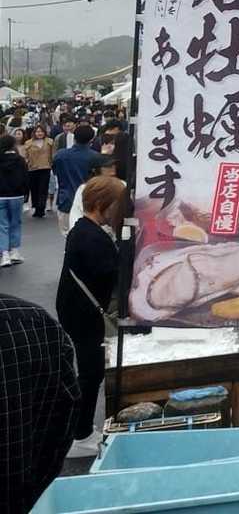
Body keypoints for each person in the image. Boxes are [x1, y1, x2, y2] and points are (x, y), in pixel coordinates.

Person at [57, 175, 125, 457]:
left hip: (76, 310)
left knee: (90, 370)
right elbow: (116, 274)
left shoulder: (84, 229)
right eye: (117, 205)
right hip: (84, 314)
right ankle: (80, 434)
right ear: (101, 203)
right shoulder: (92, 237)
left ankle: (80, 429)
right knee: (91, 372)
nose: (120, 210)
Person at [0, 292, 81, 511]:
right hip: (19, 497)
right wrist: (30, 490)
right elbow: (64, 417)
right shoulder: (33, 321)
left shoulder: (33, 321)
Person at [51, 124, 102, 232]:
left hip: (66, 200)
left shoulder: (61, 155)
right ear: (91, 139)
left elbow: (55, 171)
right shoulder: (96, 157)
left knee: (68, 235)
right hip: (89, 203)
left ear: (74, 137)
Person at [0, 135, 26, 266]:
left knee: (2, 225)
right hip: (17, 195)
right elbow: (25, 177)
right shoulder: (20, 160)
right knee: (15, 223)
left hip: (1, 196)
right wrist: (25, 193)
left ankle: (4, 254)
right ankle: (14, 252)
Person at [24, 123, 54, 218]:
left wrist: (52, 164)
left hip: (45, 167)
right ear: (34, 133)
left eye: (41, 131)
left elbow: (53, 154)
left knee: (43, 188)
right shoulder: (28, 143)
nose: (39, 133)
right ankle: (36, 207)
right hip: (32, 168)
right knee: (34, 189)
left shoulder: (50, 142)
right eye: (37, 131)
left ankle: (41, 207)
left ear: (44, 132)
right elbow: (26, 156)